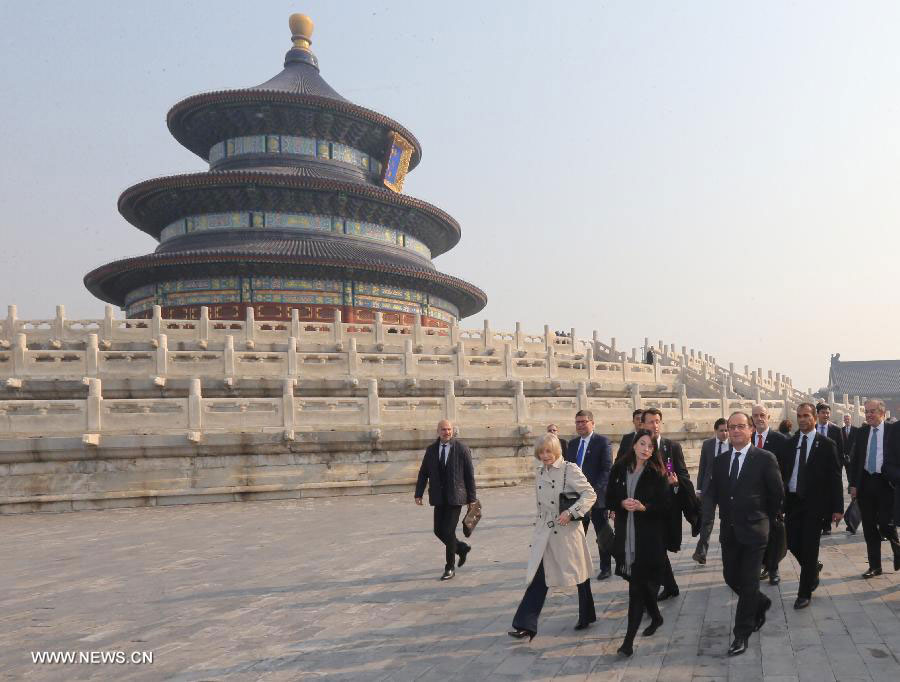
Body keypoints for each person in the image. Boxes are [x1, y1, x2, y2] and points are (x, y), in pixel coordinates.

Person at [700, 411, 784, 657]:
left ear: (750, 430)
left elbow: (776, 494)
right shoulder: (720, 461)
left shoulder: (765, 458)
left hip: (756, 531)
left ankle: (741, 634)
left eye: (740, 427)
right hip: (730, 531)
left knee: (748, 581)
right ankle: (761, 602)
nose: (735, 431)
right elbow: (713, 494)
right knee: (730, 577)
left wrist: (764, 518)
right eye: (731, 427)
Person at [509, 433, 597, 641]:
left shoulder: (570, 469)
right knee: (539, 576)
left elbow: (590, 494)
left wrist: (572, 512)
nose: (545, 455)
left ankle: (587, 614)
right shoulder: (540, 471)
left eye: (548, 451)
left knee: (580, 575)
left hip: (566, 531)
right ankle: (525, 625)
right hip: (545, 532)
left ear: (556, 450)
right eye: (541, 452)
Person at [606, 429, 672, 657]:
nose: (646, 449)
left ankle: (627, 643)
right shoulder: (618, 469)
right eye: (642, 444)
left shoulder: (658, 472)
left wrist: (645, 507)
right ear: (634, 445)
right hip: (625, 539)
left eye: (650, 446)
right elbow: (609, 498)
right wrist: (621, 503)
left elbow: (666, 506)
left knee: (636, 589)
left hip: (648, 541)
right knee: (640, 586)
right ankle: (656, 616)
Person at [780, 403, 844, 609]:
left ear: (815, 417)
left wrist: (838, 508)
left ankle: (804, 592)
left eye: (806, 415)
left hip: (815, 505)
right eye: (799, 416)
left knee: (809, 546)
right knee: (790, 543)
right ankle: (812, 567)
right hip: (792, 502)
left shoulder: (826, 444)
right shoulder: (790, 443)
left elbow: (835, 478)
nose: (802, 419)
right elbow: (783, 473)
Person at [641, 407, 697, 600]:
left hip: (667, 507)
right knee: (655, 547)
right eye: (650, 421)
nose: (654, 425)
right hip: (645, 507)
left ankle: (659, 587)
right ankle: (669, 586)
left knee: (659, 547)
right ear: (643, 424)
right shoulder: (637, 447)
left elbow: (683, 474)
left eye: (657, 421)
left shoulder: (671, 447)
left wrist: (676, 483)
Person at [414, 419, 477, 580]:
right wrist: (418, 493)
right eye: (443, 429)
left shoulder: (462, 449)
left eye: (449, 429)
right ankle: (461, 548)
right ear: (438, 431)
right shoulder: (431, 450)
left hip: (456, 497)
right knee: (438, 531)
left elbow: (469, 476)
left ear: (453, 431)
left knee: (448, 531)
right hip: (438, 497)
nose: (446, 432)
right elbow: (423, 473)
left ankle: (450, 567)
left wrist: (472, 499)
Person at [849, 400, 900, 577]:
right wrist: (853, 485)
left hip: (886, 483)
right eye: (866, 411)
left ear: (882, 413)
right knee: (869, 527)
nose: (869, 414)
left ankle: (897, 549)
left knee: (886, 523)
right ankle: (875, 566)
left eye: (873, 411)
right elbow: (855, 460)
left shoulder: (893, 431)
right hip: (865, 483)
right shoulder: (862, 432)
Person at [564, 410, 614, 579]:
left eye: (584, 421)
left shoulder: (603, 442)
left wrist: (591, 491)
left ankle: (606, 567)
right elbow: (568, 469)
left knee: (602, 533)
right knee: (577, 534)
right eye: (577, 422)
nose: (580, 425)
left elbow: (607, 470)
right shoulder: (572, 444)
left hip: (596, 497)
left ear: (592, 423)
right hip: (575, 498)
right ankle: (577, 566)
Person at [751, 404, 788, 585]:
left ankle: (773, 569)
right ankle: (759, 566)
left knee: (773, 535)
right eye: (755, 415)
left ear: (768, 417)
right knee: (756, 535)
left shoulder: (779, 439)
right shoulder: (746, 438)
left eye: (762, 415)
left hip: (772, 496)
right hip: (752, 497)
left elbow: (786, 469)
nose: (759, 418)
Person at [693, 418, 729, 564]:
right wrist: (699, 488)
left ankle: (728, 551)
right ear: (715, 431)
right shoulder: (708, 444)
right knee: (707, 520)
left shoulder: (734, 444)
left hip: (727, 489)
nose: (725, 433)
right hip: (709, 488)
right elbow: (702, 467)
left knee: (727, 520)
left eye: (727, 430)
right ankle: (701, 552)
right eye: (721, 430)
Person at [815, 404, 845, 535]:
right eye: (823, 412)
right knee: (817, 497)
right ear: (817, 414)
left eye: (828, 413)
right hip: (814, 470)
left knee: (828, 497)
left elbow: (841, 450)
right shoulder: (812, 428)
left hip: (830, 469)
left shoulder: (836, 430)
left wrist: (838, 466)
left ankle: (826, 524)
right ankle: (817, 522)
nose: (826, 415)